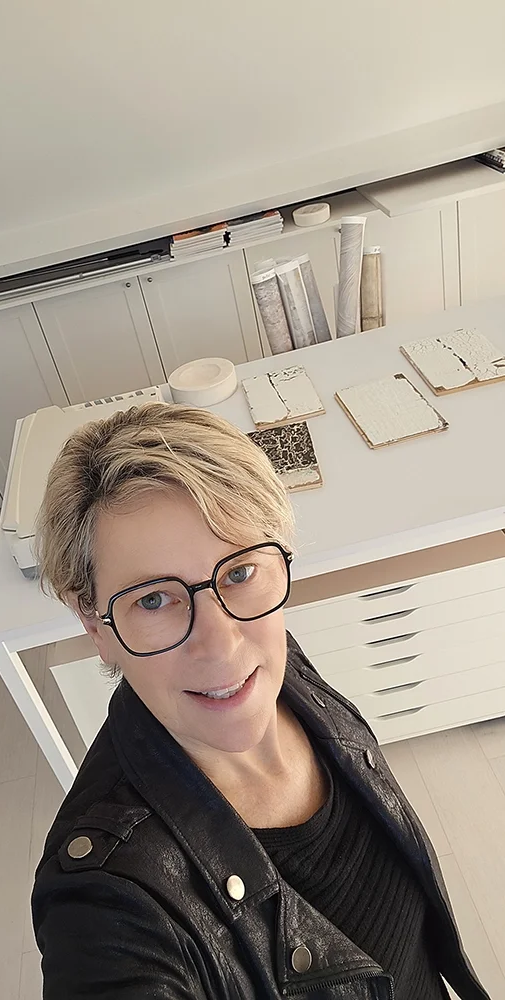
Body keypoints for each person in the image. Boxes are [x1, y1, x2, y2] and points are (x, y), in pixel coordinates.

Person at [31, 401, 489, 1000]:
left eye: (240, 573)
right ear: (95, 625)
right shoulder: (105, 900)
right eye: (152, 600)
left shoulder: (282, 666)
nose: (222, 643)